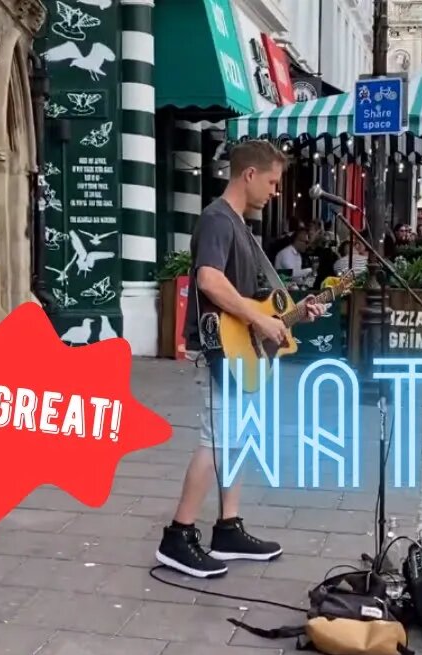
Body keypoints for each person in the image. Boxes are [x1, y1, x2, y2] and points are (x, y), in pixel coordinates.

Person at [159, 140, 327, 578]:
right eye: (272, 182)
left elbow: (254, 305)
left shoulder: (239, 226)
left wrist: (290, 316)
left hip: (241, 347)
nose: (275, 191)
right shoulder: (218, 219)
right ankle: (177, 537)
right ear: (248, 175)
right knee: (216, 439)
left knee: (234, 438)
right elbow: (209, 280)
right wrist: (258, 316)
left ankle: (228, 528)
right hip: (222, 349)